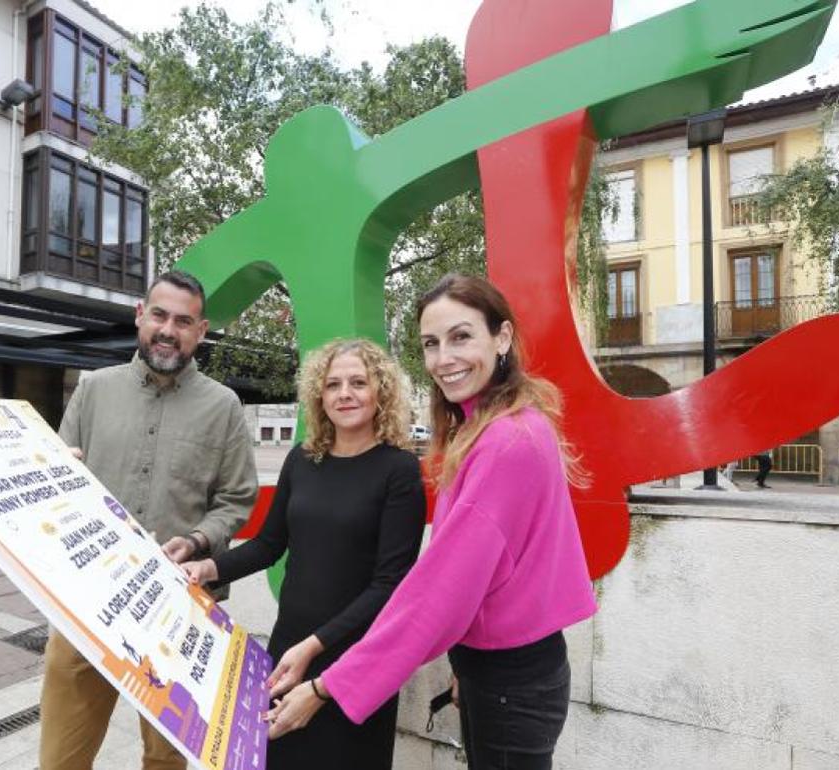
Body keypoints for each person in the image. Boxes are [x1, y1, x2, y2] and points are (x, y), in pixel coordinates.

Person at [267, 274, 598, 770]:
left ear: (502, 338)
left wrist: (327, 685)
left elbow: (438, 594)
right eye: (431, 344)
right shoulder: (494, 427)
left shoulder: (505, 442)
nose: (444, 359)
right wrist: (465, 663)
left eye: (461, 337)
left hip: (512, 682)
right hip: (501, 672)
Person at [39, 270, 258, 770]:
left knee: (167, 761)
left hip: (180, 610)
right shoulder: (92, 390)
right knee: (59, 760)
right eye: (159, 315)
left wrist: (200, 539)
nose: (168, 329)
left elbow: (237, 499)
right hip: (87, 604)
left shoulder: (223, 407)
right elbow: (56, 482)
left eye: (183, 321)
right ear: (141, 316)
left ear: (200, 331)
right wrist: (55, 473)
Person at [183, 338, 426, 770]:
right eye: (332, 384)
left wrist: (314, 647)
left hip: (355, 659)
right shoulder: (302, 459)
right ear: (319, 394)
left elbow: (391, 585)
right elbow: (268, 545)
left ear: (381, 392)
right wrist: (207, 567)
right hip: (289, 648)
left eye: (358, 382)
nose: (344, 394)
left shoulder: (400, 470)